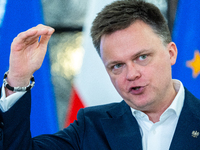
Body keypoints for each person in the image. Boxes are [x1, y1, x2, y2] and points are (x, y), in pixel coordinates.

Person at [0, 0, 200, 149]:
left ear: (171, 53)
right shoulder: (91, 127)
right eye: (117, 66)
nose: (131, 74)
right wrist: (18, 78)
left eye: (142, 57)